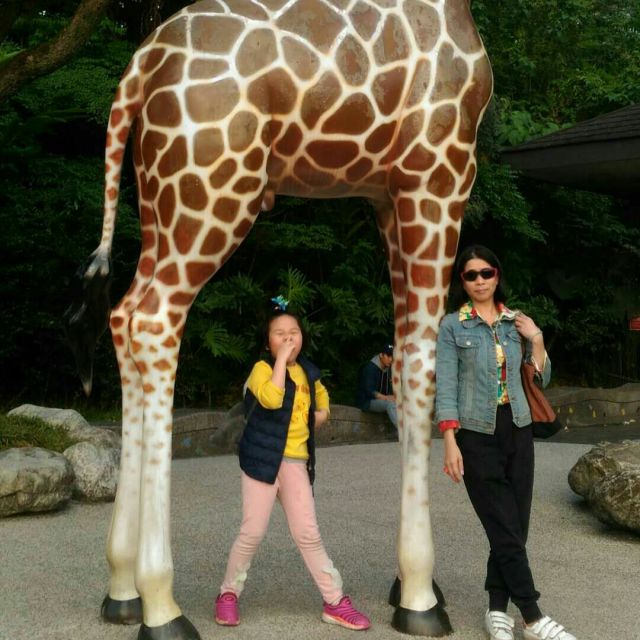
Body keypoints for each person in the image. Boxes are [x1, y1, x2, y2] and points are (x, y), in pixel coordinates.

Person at [435, 245, 577, 640]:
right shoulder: (453, 326)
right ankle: (532, 616)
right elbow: (446, 385)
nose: (480, 280)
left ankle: (497, 608)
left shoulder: (516, 322)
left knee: (515, 526)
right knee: (501, 523)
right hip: (475, 434)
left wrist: (537, 339)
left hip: (518, 428)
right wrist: (449, 441)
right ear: (462, 281)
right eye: (471, 275)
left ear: (497, 275)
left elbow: (541, 379)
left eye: (486, 272)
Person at [215, 297, 370, 631]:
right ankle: (228, 594)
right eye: (279, 333)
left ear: (303, 337)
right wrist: (281, 362)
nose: (288, 338)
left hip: (296, 462)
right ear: (267, 342)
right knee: (252, 532)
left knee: (308, 534)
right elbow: (272, 399)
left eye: (294, 332)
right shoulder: (262, 370)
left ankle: (334, 601)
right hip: (261, 461)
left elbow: (322, 396)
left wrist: (322, 413)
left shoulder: (309, 372)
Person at [356, 343, 397, 429]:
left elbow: (390, 390)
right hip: (367, 402)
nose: (390, 359)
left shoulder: (389, 369)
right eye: (388, 356)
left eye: (392, 357)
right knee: (390, 404)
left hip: (381, 400)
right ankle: (405, 432)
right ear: (381, 355)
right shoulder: (370, 368)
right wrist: (386, 398)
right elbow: (369, 391)